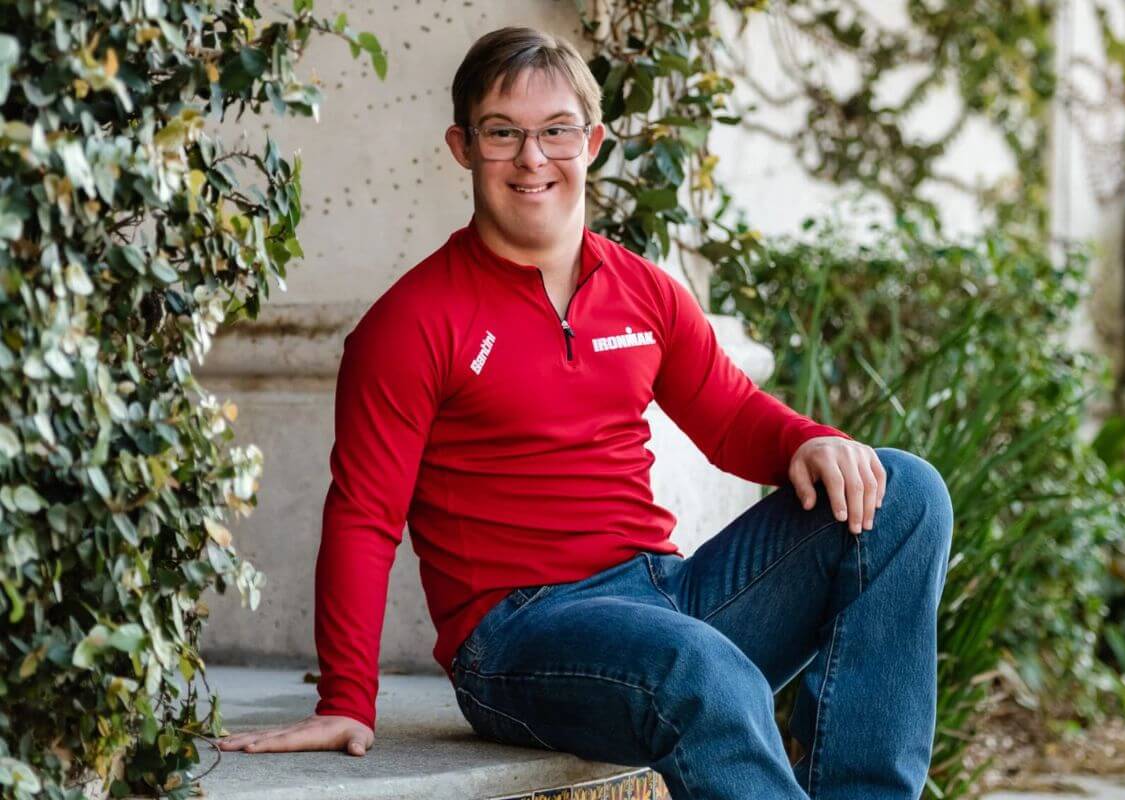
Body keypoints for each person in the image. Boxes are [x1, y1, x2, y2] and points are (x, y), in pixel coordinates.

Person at [216, 26, 954, 800]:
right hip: (517, 640)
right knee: (694, 665)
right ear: (464, 147)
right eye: (504, 134)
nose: (533, 159)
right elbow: (365, 516)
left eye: (556, 131)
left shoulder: (645, 290)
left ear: (592, 142)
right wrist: (345, 700)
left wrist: (813, 441)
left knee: (905, 495)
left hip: (664, 594)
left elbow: (732, 418)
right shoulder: (413, 322)